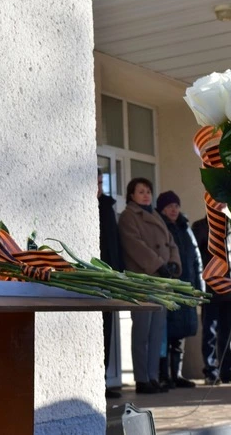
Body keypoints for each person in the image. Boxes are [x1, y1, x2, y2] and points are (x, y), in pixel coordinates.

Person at [118, 177, 182, 394]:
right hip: (142, 280)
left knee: (157, 332)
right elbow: (134, 245)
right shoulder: (128, 216)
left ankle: (153, 377)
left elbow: (171, 243)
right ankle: (142, 378)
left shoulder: (155, 215)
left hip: (161, 281)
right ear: (131, 195)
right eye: (141, 191)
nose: (146, 195)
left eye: (148, 191)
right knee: (142, 331)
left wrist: (173, 264)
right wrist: (159, 264)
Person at [192, 217, 231, 385]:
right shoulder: (200, 226)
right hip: (211, 288)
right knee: (210, 332)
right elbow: (196, 258)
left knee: (227, 332)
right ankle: (211, 371)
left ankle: (226, 371)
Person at [156, 191, 202, 389]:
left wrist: (198, 287)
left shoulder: (185, 228)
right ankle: (163, 375)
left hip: (186, 285)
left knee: (181, 333)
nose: (173, 210)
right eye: (169, 206)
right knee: (166, 333)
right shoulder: (160, 227)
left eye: (176, 206)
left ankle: (177, 374)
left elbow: (196, 259)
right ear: (162, 209)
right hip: (169, 286)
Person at [97, 170, 124, 399]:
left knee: (106, 332)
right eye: (94, 182)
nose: (98, 187)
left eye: (100, 182)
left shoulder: (107, 206)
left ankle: (103, 381)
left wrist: (118, 274)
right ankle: (95, 383)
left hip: (108, 279)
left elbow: (114, 243)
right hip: (90, 279)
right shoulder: (87, 206)